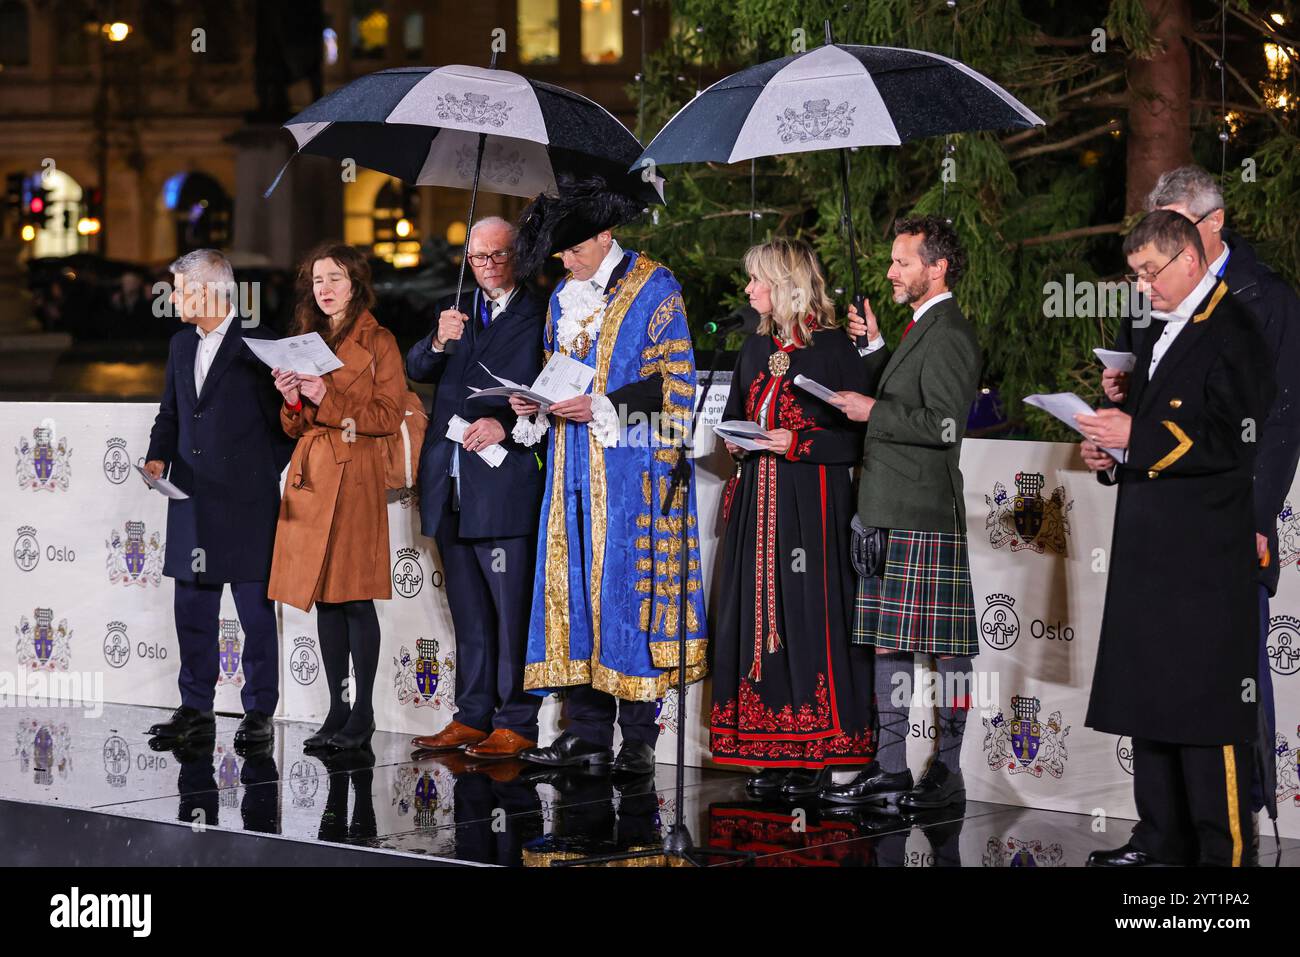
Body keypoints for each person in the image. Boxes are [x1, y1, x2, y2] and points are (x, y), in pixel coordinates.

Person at [1106, 165, 1300, 832]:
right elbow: (1151, 399)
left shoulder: (1263, 299)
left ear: (1210, 227)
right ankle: (1162, 831)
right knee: (1155, 674)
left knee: (1223, 684)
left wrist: (1255, 519)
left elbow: (1276, 422)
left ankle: (1234, 825)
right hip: (1159, 527)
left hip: (1224, 521)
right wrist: (1122, 399)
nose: (1148, 280)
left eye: (1178, 225)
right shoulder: (1153, 295)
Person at [1078, 210, 1273, 866]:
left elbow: (1233, 438)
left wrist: (1138, 438)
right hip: (1149, 548)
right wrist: (1114, 450)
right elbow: (1155, 433)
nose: (1144, 286)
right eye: (1135, 275)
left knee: (1204, 712)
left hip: (1203, 557)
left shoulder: (1234, 328)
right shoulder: (1158, 328)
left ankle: (1224, 863)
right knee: (1151, 698)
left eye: (1151, 272)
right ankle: (1160, 842)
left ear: (1190, 258)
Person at [507, 174, 707, 779]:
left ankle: (639, 739)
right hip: (570, 466)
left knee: (626, 595)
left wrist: (598, 405)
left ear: (604, 234)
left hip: (633, 471)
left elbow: (678, 391)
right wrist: (536, 405)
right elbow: (556, 371)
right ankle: (586, 732)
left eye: (573, 248)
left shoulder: (656, 288)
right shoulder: (562, 298)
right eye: (560, 252)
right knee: (576, 592)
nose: (565, 261)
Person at [708, 238, 881, 800]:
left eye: (758, 279)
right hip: (757, 503)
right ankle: (772, 751)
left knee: (810, 616)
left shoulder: (833, 348)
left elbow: (858, 438)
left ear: (785, 282)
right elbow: (736, 413)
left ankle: (825, 750)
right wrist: (738, 441)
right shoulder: (756, 349)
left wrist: (797, 442)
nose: (750, 289)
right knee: (757, 619)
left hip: (812, 506)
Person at [823, 215, 983, 812]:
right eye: (892, 261)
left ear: (936, 267)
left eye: (902, 262)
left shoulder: (950, 334)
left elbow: (944, 426)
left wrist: (871, 410)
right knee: (890, 646)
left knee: (947, 649)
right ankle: (890, 771)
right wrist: (873, 349)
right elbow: (902, 397)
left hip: (924, 512)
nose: (891, 271)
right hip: (888, 509)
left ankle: (948, 772)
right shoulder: (921, 327)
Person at [404, 216, 548, 760]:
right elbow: (416, 366)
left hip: (503, 483)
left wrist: (508, 428)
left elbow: (554, 393)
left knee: (510, 612)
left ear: (519, 257)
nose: (485, 267)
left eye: (496, 256)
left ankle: (517, 720)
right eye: (476, 258)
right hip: (450, 483)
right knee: (468, 612)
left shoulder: (542, 313)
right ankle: (472, 715)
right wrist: (439, 339)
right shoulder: (455, 308)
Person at [144, 249, 293, 747]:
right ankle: (194, 708)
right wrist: (156, 456)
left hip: (247, 505)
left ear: (209, 291)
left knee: (254, 614)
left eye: (181, 289)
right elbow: (171, 413)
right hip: (190, 499)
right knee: (192, 612)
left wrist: (255, 473)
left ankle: (258, 712)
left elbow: (287, 425)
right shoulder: (179, 345)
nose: (174, 298)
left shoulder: (261, 344)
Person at [268, 242, 406, 753]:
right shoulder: (303, 339)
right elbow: (295, 426)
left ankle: (364, 713)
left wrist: (329, 398)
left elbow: (386, 417)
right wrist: (291, 400)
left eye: (335, 278)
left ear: (356, 284)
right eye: (318, 280)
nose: (324, 289)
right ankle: (336, 709)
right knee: (325, 597)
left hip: (357, 475)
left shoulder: (380, 341)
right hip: (313, 474)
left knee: (354, 596)